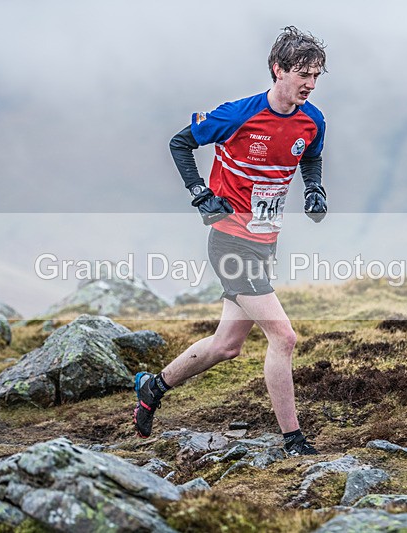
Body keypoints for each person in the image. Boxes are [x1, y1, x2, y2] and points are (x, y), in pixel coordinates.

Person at [134, 26, 328, 457]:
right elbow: (180, 143)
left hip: (264, 242)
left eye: (316, 76)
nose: (310, 84)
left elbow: (310, 157)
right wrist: (199, 192)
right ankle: (293, 440)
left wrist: (315, 189)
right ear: (277, 70)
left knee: (226, 346)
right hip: (230, 243)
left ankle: (153, 386)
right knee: (284, 338)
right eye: (302, 74)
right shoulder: (238, 114)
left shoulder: (311, 120)